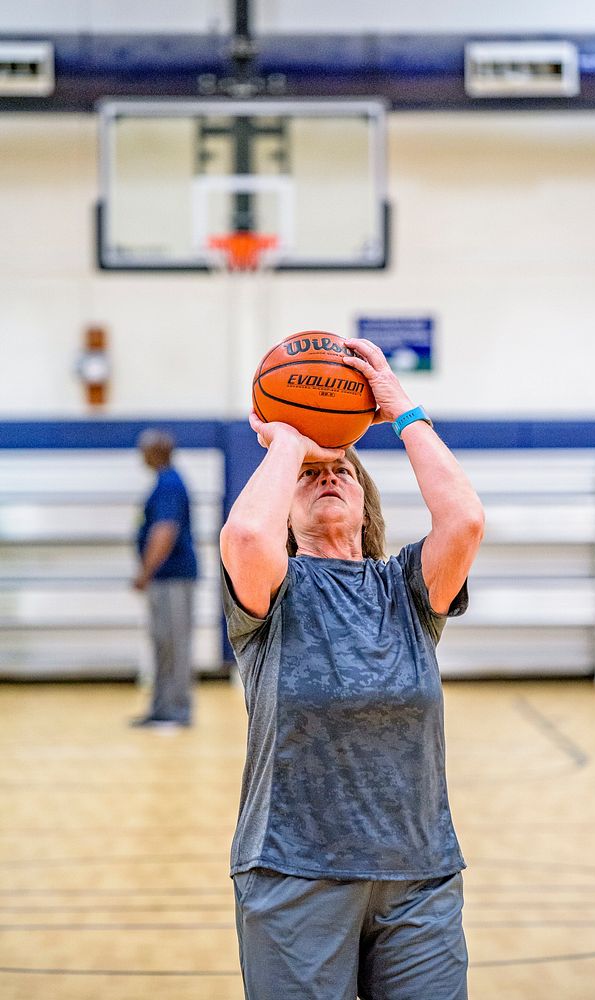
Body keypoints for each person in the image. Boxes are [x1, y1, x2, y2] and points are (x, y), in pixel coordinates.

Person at [220, 338, 484, 1000]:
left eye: (340, 470)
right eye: (311, 475)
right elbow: (248, 536)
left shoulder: (408, 589)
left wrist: (400, 408)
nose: (328, 476)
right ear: (286, 504)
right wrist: (290, 440)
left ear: (365, 503)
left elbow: (465, 519)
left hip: (418, 875)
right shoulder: (272, 592)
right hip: (293, 872)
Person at [131, 429, 198, 728]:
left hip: (172, 577)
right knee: (162, 643)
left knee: (174, 643)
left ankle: (177, 710)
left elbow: (164, 531)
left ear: (157, 451)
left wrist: (145, 572)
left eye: (144, 448)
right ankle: (161, 708)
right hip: (164, 578)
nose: (140, 454)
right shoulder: (164, 482)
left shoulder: (169, 484)